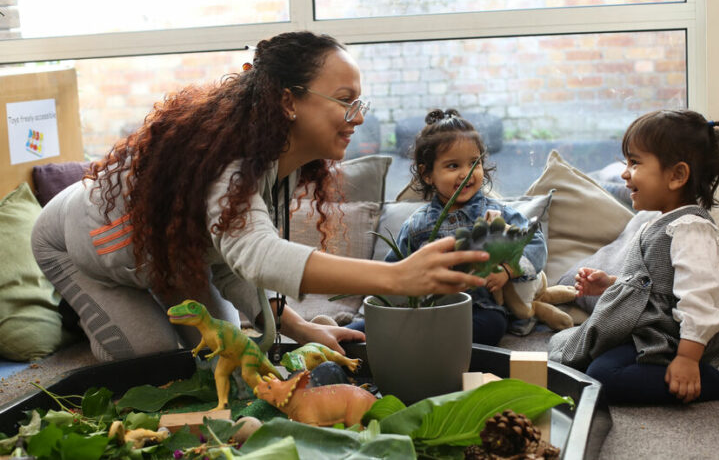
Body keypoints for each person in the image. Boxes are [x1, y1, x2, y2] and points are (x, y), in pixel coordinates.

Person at [31, 32, 489, 363]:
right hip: (77, 245)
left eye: (360, 104)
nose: (357, 118)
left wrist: (298, 327)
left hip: (170, 261)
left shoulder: (273, 168)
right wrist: (396, 278)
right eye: (346, 100)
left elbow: (231, 260)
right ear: (288, 101)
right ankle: (82, 316)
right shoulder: (227, 160)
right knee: (149, 359)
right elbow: (258, 255)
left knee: (225, 354)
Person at [549, 109, 719, 404]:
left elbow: (701, 300)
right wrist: (612, 284)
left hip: (673, 343)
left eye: (635, 162)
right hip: (649, 332)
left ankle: (714, 383)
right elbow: (654, 284)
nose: (624, 173)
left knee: (604, 377)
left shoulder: (693, 230)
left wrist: (688, 359)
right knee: (577, 353)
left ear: (677, 175)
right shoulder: (659, 222)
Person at [381, 108, 548, 346]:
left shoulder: (498, 214)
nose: (467, 173)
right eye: (453, 166)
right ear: (427, 174)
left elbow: (534, 241)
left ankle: (428, 344)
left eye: (474, 163)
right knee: (373, 324)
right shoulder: (418, 225)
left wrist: (507, 270)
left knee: (492, 325)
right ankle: (347, 332)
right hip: (429, 311)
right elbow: (392, 271)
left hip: (480, 308)